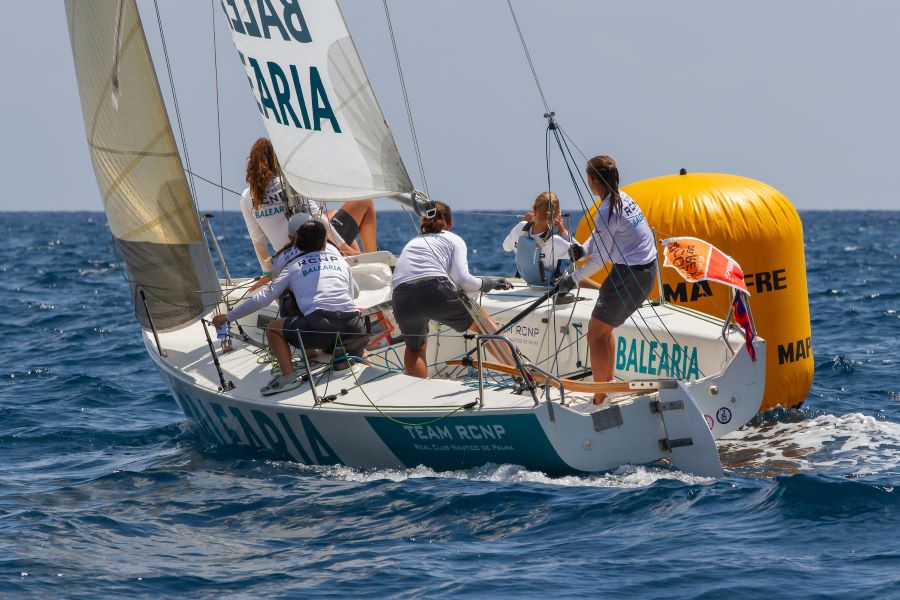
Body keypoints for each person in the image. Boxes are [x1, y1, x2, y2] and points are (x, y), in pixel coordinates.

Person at [213, 220, 370, 395]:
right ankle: (367, 367)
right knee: (347, 337)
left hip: (320, 329)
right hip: (356, 328)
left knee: (273, 328)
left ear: (297, 242)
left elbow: (263, 299)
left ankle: (288, 377)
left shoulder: (292, 266)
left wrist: (227, 317)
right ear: (325, 242)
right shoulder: (340, 261)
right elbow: (354, 293)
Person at [558, 156, 658, 404]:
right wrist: (582, 249)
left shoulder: (606, 209)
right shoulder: (623, 199)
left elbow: (600, 260)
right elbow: (601, 239)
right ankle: (608, 388)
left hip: (631, 274)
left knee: (595, 334)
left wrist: (572, 279)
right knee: (604, 330)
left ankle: (600, 398)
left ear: (592, 181)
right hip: (644, 270)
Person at [391, 202, 511, 378]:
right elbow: (463, 281)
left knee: (415, 348)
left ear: (424, 222)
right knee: (484, 325)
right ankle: (525, 374)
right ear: (450, 223)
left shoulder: (412, 242)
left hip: (401, 296)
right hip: (434, 290)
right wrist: (489, 283)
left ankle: (414, 394)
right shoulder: (453, 238)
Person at [502, 191, 574, 286]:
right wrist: (563, 231)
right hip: (547, 289)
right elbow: (581, 254)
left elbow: (506, 247)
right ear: (556, 216)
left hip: (526, 281)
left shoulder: (520, 227)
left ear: (534, 210)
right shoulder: (555, 241)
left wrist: (524, 223)